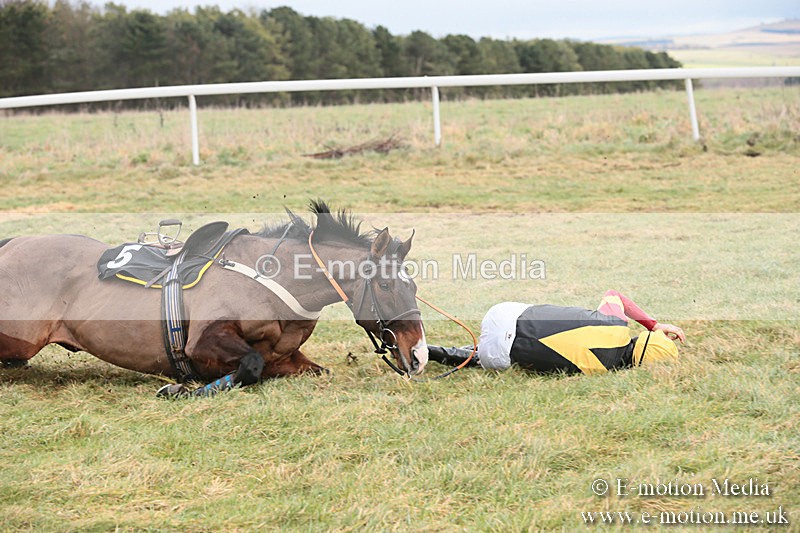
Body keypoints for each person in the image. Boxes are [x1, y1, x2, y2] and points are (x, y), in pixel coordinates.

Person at [427, 290, 685, 374]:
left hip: (501, 314)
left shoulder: (616, 323)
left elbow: (613, 294)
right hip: (495, 357)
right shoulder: (601, 371)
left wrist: (654, 325)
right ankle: (434, 353)